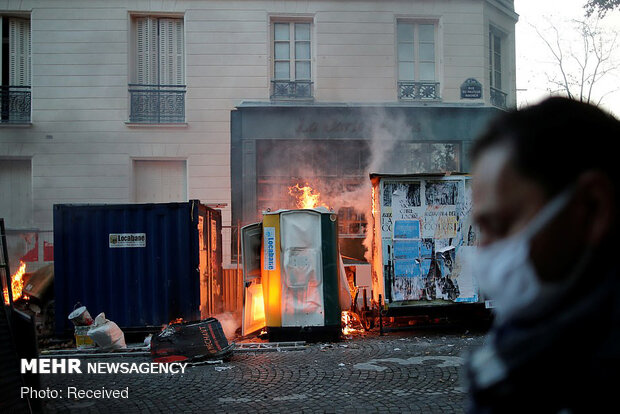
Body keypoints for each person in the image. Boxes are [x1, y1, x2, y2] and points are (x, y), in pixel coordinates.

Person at [465, 97, 620, 413]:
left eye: (501, 225)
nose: (483, 249)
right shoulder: (528, 347)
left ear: (592, 209)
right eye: (483, 228)